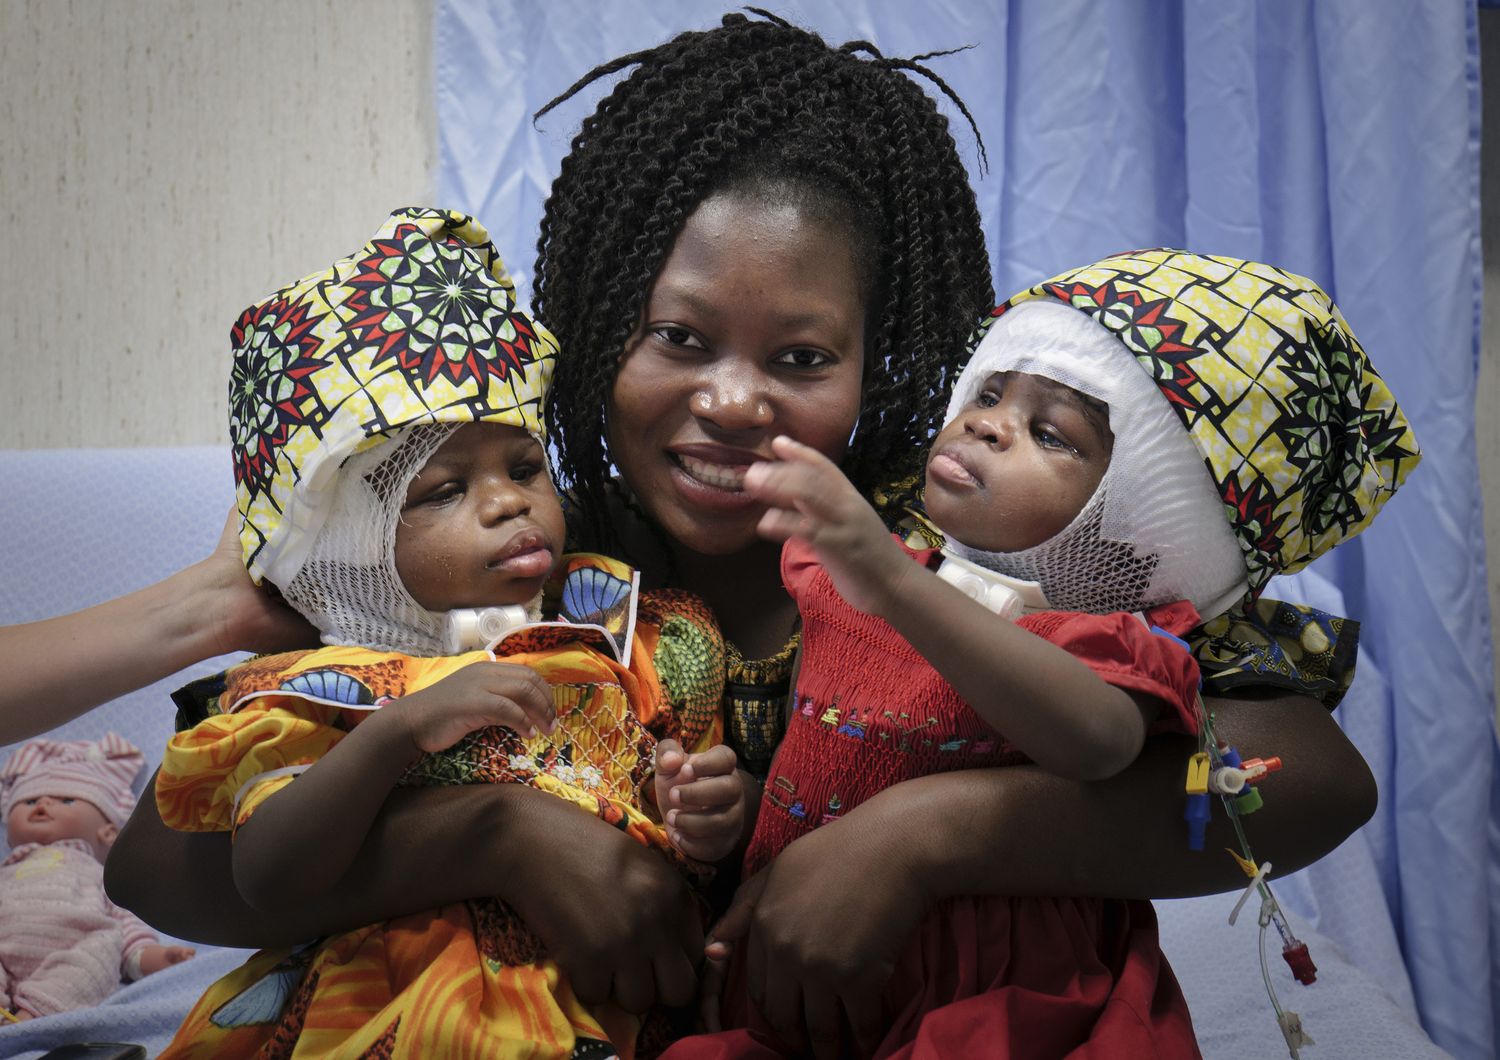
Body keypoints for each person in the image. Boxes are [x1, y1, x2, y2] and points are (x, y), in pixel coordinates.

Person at [99, 12, 1378, 1056]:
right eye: (679, 337)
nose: (729, 399)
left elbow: (1303, 783)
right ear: (599, 323)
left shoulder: (958, 561)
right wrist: (499, 836)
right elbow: (164, 868)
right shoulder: (504, 563)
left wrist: (928, 838)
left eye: (804, 355)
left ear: (885, 363)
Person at [672, 250, 1418, 1058]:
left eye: (1051, 434)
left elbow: (1099, 743)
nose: (986, 421)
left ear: (1145, 516)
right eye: (989, 392)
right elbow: (842, 748)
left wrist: (889, 577)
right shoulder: (848, 573)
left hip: (996, 1002)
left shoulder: (1109, 640)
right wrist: (744, 804)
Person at [155, 205, 746, 1058]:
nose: (507, 501)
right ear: (358, 548)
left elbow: (698, 839)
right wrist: (395, 731)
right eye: (442, 491)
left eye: (521, 467)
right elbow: (267, 875)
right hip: (381, 1020)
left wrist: (712, 812)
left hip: (602, 1013)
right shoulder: (319, 687)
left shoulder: (631, 636)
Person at [0, 735, 194, 1020]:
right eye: (29, 800)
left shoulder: (102, 875)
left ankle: (32, 1015)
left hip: (76, 952)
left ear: (108, 831)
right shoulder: (7, 870)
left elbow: (125, 925)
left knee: (101, 951)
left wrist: (154, 957)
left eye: (66, 799)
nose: (42, 801)